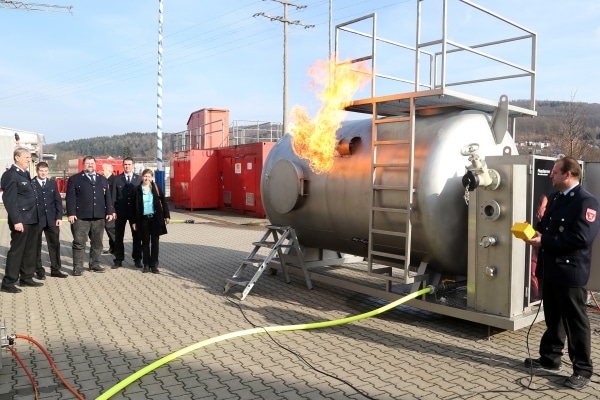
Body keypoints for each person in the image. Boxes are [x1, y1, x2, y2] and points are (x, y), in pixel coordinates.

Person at [524, 156, 600, 390]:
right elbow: (545, 228)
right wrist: (532, 233)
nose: (551, 175)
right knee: (553, 317)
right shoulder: (557, 198)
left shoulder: (586, 202)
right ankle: (550, 358)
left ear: (568, 174)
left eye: (555, 172)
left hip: (570, 272)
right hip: (552, 269)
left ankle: (583, 370)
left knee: (575, 322)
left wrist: (544, 239)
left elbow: (581, 238)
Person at [1, 147, 43, 293]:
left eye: (29, 157)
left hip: (32, 219)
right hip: (21, 220)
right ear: (17, 158)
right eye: (26, 157)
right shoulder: (10, 175)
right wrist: (17, 220)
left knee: (30, 250)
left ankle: (26, 277)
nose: (28, 160)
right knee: (17, 251)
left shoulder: (25, 173)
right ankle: (8, 282)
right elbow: (9, 201)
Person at [65, 156, 115, 276]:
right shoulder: (75, 179)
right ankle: (78, 267)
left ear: (95, 165)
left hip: (98, 217)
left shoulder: (102, 179)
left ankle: (94, 264)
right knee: (79, 243)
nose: (90, 165)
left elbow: (107, 197)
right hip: (80, 217)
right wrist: (71, 213)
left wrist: (109, 211)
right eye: (88, 163)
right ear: (83, 165)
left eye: (92, 163)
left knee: (97, 243)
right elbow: (70, 198)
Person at [33, 162, 68, 279]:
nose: (43, 173)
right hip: (37, 220)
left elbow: (58, 201)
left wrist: (59, 217)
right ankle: (39, 271)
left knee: (55, 245)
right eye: (41, 171)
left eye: (45, 171)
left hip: (52, 220)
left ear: (48, 172)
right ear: (37, 171)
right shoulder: (31, 183)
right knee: (36, 246)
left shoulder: (52, 183)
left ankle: (56, 269)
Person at [132, 169, 170, 273]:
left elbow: (163, 201)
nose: (147, 178)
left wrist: (167, 215)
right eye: (145, 176)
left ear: (152, 178)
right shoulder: (137, 189)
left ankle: (154, 265)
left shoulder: (156, 187)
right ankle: (146, 265)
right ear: (142, 177)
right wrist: (133, 222)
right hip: (143, 219)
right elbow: (133, 207)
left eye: (149, 176)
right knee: (145, 243)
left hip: (155, 219)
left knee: (155, 243)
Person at [111, 157, 143, 268]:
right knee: (119, 236)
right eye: (125, 164)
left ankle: (137, 258)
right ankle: (118, 259)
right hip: (120, 212)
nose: (127, 166)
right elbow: (113, 196)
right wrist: (113, 211)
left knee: (137, 236)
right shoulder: (117, 179)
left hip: (135, 213)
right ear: (122, 165)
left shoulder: (139, 179)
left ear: (133, 165)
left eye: (129, 164)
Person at [101, 163, 116, 255]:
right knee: (108, 229)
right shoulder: (104, 180)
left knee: (110, 227)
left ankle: (117, 247)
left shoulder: (113, 181)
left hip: (111, 209)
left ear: (109, 170)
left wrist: (113, 210)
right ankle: (112, 248)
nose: (101, 172)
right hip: (104, 208)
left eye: (103, 170)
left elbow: (113, 197)